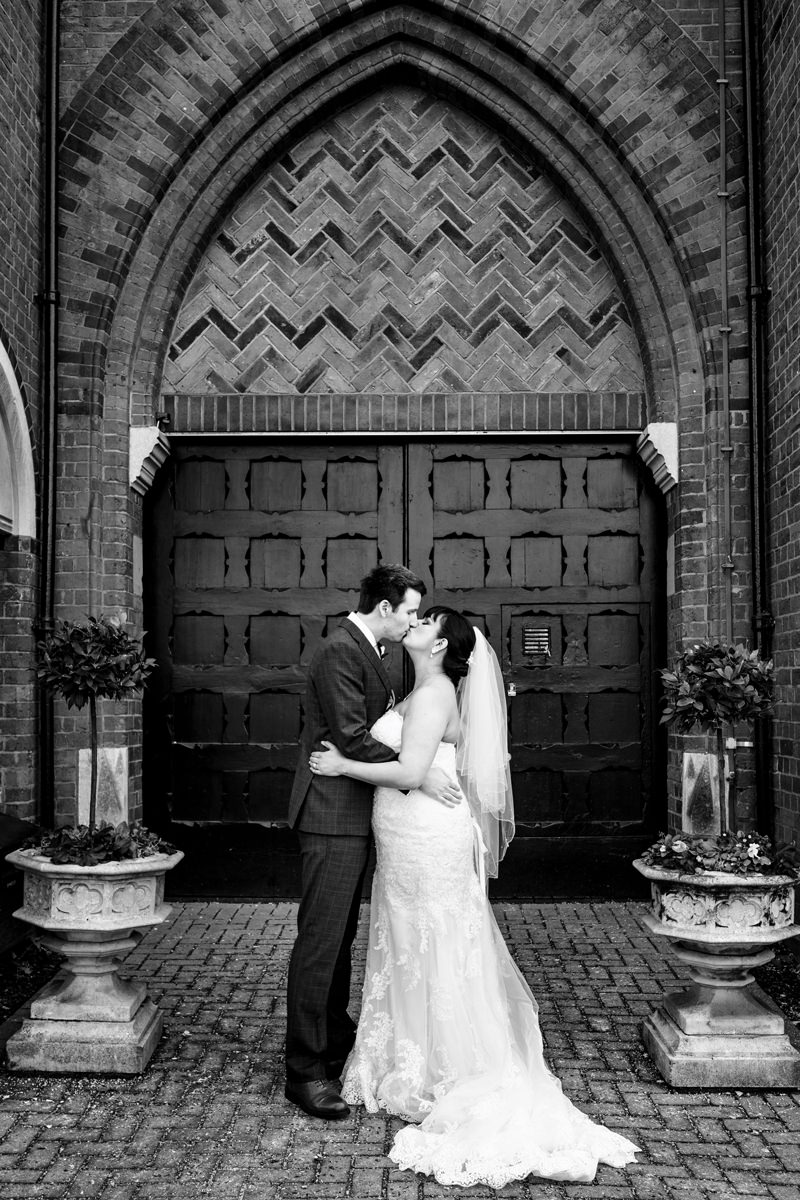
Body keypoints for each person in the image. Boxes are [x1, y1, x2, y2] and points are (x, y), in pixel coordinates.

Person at [308, 606, 641, 1186]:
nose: (415, 622)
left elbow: (411, 769)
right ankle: (417, 1053)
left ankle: (444, 1063)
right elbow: (429, 758)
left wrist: (342, 765)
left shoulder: (434, 693)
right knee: (417, 938)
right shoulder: (424, 687)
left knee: (433, 936)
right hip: (410, 836)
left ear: (440, 646)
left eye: (426, 620)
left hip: (426, 835)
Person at [285, 565, 461, 1122]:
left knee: (341, 938)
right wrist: (417, 772)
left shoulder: (380, 653)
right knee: (320, 942)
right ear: (385, 608)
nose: (414, 620)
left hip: (361, 815)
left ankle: (334, 1036)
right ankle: (305, 1072)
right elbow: (352, 738)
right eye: (410, 610)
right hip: (330, 813)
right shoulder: (340, 651)